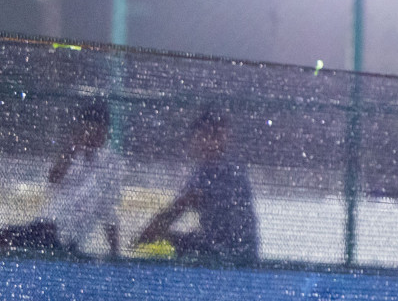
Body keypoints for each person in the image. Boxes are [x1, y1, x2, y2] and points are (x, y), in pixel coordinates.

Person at [0, 100, 123, 258]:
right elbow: (53, 178)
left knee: (8, 238)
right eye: (88, 129)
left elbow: (109, 211)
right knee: (7, 237)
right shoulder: (73, 155)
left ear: (105, 132)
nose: (93, 135)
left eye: (98, 130)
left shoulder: (110, 164)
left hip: (64, 235)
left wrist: (115, 252)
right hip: (47, 225)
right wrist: (74, 148)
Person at [134, 109, 258, 263]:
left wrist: (148, 235)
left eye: (216, 136)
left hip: (230, 253)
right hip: (223, 247)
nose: (212, 143)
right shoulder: (205, 170)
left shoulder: (227, 170)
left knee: (171, 242)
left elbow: (181, 204)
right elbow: (179, 206)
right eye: (204, 137)